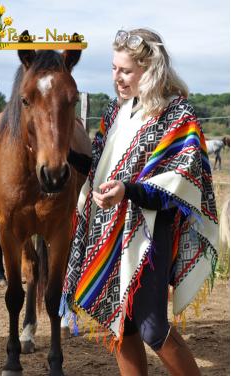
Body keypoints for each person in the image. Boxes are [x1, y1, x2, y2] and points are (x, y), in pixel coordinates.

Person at [61, 28, 218, 375]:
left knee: (152, 327)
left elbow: (179, 182)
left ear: (149, 68)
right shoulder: (116, 113)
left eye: (125, 71)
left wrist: (127, 191)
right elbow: (101, 172)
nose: (116, 77)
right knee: (123, 326)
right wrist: (68, 157)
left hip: (149, 232)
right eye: (113, 69)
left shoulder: (177, 116)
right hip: (111, 230)